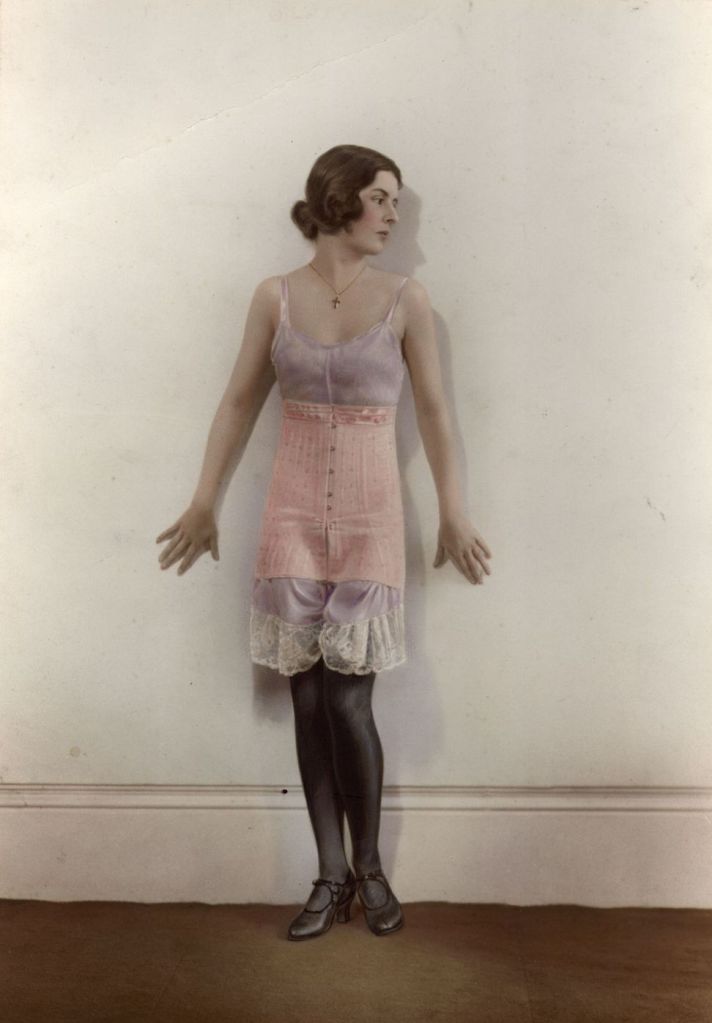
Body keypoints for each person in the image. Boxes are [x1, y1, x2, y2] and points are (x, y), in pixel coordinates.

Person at [155, 144, 492, 941]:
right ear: (339, 199)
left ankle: (370, 867)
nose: (393, 214)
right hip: (292, 518)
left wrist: (454, 510)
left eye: (396, 201)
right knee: (308, 699)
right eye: (381, 197)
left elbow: (436, 412)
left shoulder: (406, 299)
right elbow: (238, 400)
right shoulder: (273, 296)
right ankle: (329, 872)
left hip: (372, 520)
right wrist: (203, 500)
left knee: (348, 698)